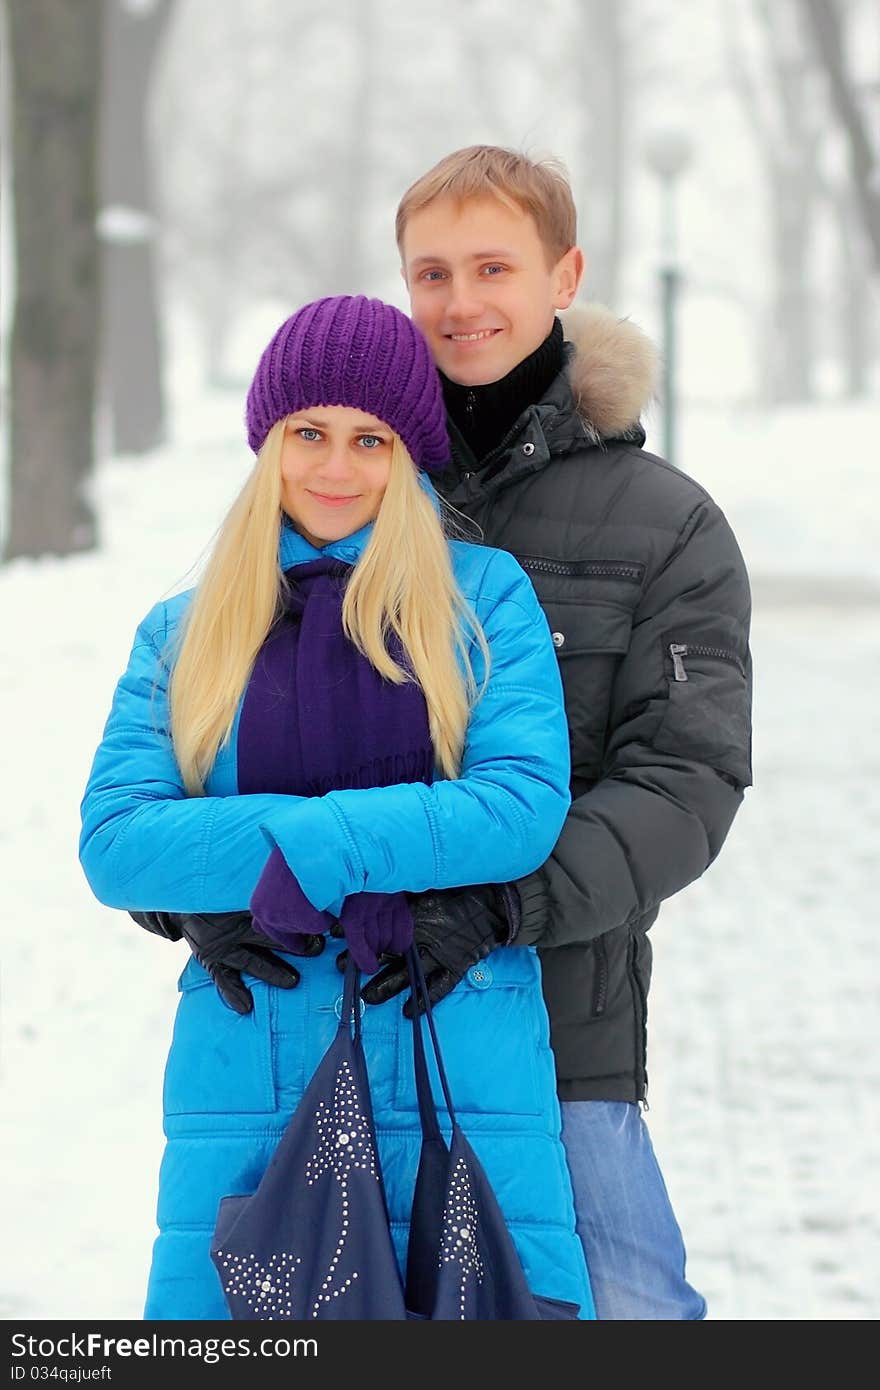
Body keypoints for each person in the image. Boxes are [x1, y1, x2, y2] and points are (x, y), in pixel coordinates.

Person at [78, 294, 595, 1320]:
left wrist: (300, 847)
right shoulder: (185, 630)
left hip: (458, 1042)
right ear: (266, 443)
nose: (335, 465)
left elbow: (519, 804)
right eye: (306, 433)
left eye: (371, 439)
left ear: (407, 457)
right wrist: (366, 845)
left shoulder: (480, 598)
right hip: (254, 1057)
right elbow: (117, 841)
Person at [355, 144, 752, 1321]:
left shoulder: (666, 524)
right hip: (346, 1014)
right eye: (432, 272)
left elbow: (685, 779)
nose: (461, 301)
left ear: (563, 274)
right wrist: (208, 897)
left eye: (493, 267)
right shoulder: (342, 489)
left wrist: (502, 905)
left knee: (623, 1311)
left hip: (559, 1021)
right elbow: (223, 734)